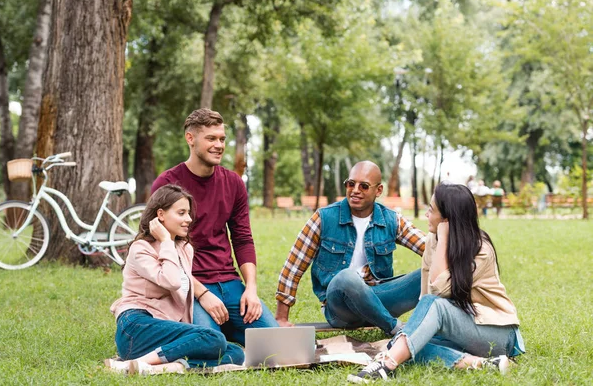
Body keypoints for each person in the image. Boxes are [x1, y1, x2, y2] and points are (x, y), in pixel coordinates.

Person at [349, 183, 525, 383]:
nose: (426, 214)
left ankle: (386, 365)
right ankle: (480, 364)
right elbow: (426, 295)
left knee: (403, 344)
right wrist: (413, 333)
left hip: (496, 333)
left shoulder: (481, 249)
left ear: (447, 220)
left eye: (431, 210)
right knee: (407, 345)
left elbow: (438, 293)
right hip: (461, 329)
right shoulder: (432, 241)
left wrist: (443, 240)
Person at [150, 108, 278, 346]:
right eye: (211, 138)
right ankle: (218, 329)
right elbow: (157, 249)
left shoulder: (234, 183)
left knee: (277, 343)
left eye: (221, 139)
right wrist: (202, 294)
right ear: (191, 139)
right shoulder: (167, 184)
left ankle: (227, 325)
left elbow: (242, 239)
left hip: (229, 283)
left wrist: (251, 289)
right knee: (210, 344)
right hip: (189, 284)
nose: (219, 145)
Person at [105, 185, 245, 375]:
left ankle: (163, 367)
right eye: (181, 213)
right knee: (213, 338)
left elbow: (182, 303)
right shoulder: (141, 248)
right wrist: (165, 241)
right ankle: (138, 362)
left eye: (188, 213)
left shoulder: (184, 248)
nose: (188, 219)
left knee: (234, 351)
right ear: (161, 214)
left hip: (165, 333)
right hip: (136, 327)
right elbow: (171, 281)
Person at [275, 161, 427, 336]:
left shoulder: (391, 220)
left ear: (378, 190)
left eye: (364, 186)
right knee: (346, 278)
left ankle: (433, 324)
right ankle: (396, 328)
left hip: (379, 300)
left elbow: (430, 248)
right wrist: (281, 318)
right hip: (341, 309)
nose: (355, 190)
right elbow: (293, 266)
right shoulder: (324, 218)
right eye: (350, 184)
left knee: (432, 273)